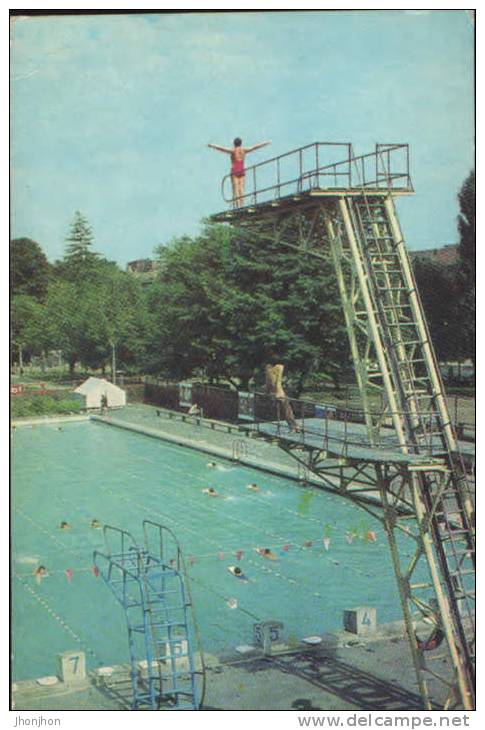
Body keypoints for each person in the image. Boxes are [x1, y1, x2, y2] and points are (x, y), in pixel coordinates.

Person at [208, 138, 271, 208]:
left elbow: (222, 149)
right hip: (242, 168)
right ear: (241, 143)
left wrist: (212, 145)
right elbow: (254, 147)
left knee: (236, 189)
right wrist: (265, 143)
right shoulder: (244, 150)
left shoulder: (233, 150)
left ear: (234, 144)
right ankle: (242, 204)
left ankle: (238, 206)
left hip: (235, 168)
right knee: (242, 189)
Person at [265, 357, 298, 432]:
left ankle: (293, 427)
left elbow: (268, 382)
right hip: (279, 392)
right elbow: (278, 381)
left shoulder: (268, 367)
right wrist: (278, 392)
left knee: (285, 411)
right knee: (288, 410)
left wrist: (267, 392)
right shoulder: (280, 367)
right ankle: (294, 426)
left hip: (272, 392)